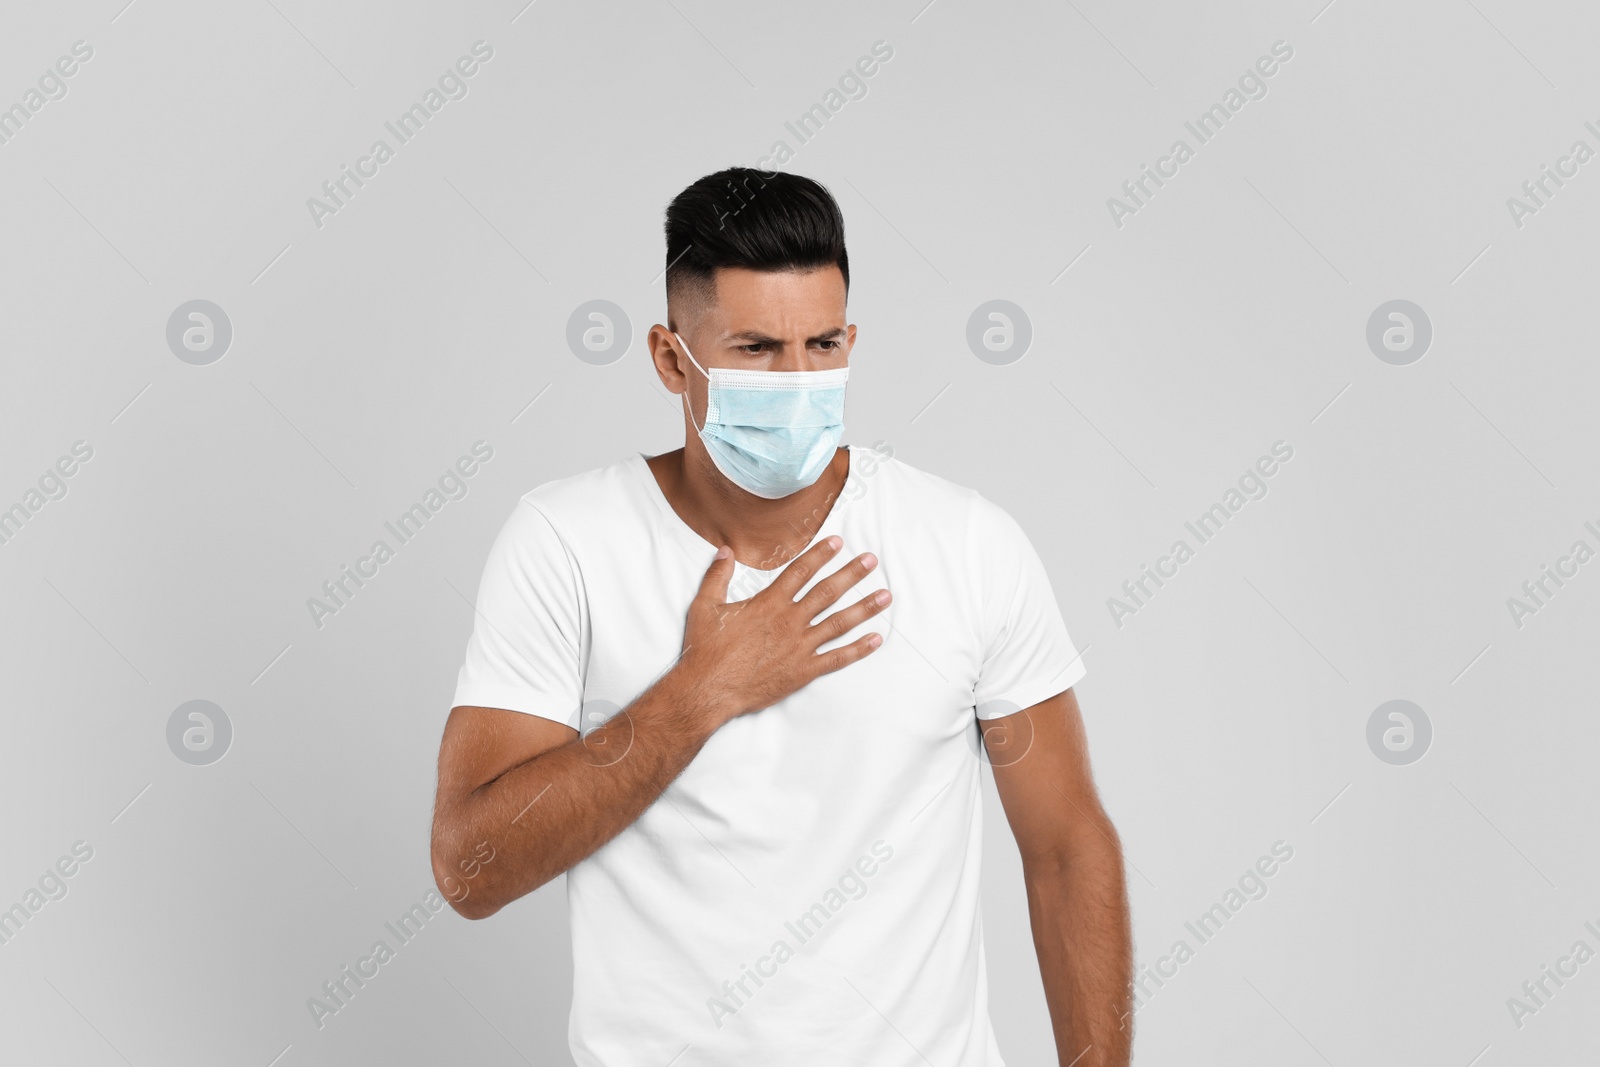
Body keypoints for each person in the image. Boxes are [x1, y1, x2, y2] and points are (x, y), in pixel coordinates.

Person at [430, 167, 1131, 1066]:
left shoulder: (966, 544)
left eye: (824, 344)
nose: (799, 381)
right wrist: (701, 692)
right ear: (670, 359)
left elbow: (1068, 846)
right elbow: (470, 870)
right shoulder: (565, 543)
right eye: (758, 349)